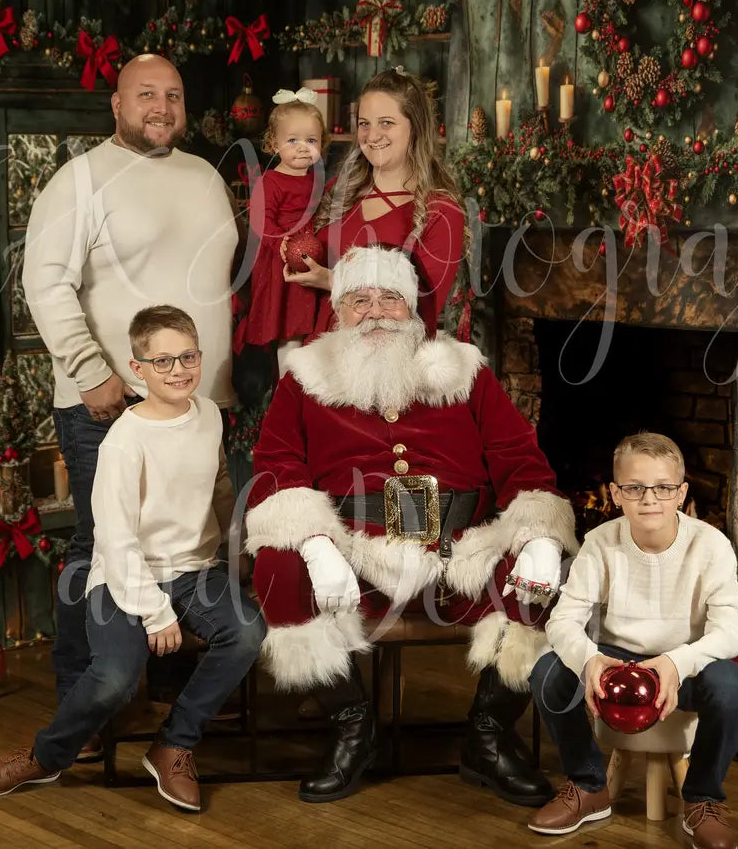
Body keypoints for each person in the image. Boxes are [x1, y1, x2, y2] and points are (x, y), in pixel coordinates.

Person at [244, 245, 579, 806]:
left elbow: (521, 459)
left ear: (414, 309)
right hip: (354, 558)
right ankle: (353, 728)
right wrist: (319, 545)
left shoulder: (464, 372)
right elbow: (276, 468)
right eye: (359, 300)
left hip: (458, 556)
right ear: (337, 311)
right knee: (278, 567)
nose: (375, 312)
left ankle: (489, 738)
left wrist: (542, 536)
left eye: (390, 299)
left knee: (549, 572)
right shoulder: (304, 379)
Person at [22, 54, 239, 757]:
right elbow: (45, 282)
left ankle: (171, 685)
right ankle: (83, 702)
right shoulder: (80, 179)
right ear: (116, 104)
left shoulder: (204, 177)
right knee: (97, 547)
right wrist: (91, 371)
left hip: (197, 407)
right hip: (108, 404)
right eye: (146, 94)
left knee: (186, 547)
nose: (162, 106)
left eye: (173, 94)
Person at [0, 306, 265, 811]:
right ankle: (45, 755)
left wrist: (235, 557)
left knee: (248, 632)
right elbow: (115, 537)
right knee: (115, 677)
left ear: (200, 356)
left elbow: (218, 487)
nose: (178, 371)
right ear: (138, 369)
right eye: (163, 361)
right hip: (126, 576)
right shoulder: (125, 440)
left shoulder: (209, 414)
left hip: (193, 572)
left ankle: (175, 742)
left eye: (187, 357)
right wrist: (154, 610)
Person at [527, 432, 738, 849]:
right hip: (616, 659)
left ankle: (702, 799)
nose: (650, 499)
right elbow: (563, 621)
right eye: (635, 487)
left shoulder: (711, 545)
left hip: (684, 663)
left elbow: (730, 632)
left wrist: (678, 663)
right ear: (615, 493)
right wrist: (590, 659)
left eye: (664, 487)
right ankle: (588, 785)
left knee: (731, 685)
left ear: (681, 492)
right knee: (546, 672)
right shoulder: (600, 543)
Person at [284, 68, 465, 338]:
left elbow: (422, 305)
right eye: (364, 123)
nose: (372, 135)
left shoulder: (441, 212)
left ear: (415, 127)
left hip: (382, 367)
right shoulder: (338, 193)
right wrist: (290, 247)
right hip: (311, 357)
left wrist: (332, 280)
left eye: (387, 123)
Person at [233, 88, 329, 375]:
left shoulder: (317, 181)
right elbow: (262, 221)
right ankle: (288, 381)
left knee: (311, 324)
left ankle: (306, 381)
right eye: (293, 140)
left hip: (312, 257)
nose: (303, 147)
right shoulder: (271, 181)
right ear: (274, 144)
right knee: (290, 325)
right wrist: (282, 244)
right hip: (281, 262)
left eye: (311, 140)